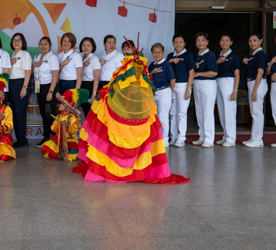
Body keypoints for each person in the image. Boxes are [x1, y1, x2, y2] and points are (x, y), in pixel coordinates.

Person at [73, 41, 190, 185]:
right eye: (125, 48)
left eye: (130, 48)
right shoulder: (124, 65)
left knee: (156, 121)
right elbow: (116, 83)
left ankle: (166, 141)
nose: (127, 50)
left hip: (137, 106)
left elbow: (143, 85)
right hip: (123, 104)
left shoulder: (139, 66)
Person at [41, 88, 88, 161]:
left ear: (67, 108)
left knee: (71, 155)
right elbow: (53, 128)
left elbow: (73, 131)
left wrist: (66, 126)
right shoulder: (59, 116)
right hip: (60, 138)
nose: (59, 105)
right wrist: (59, 125)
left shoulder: (72, 118)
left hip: (70, 139)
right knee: (48, 145)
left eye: (62, 104)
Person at [167, 34, 195, 147]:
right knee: (173, 113)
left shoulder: (188, 55)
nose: (178, 44)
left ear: (184, 43)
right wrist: (171, 61)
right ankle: (173, 136)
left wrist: (188, 89)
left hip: (183, 86)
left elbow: (191, 73)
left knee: (182, 113)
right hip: (172, 87)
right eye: (175, 42)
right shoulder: (170, 56)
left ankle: (181, 137)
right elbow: (165, 66)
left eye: (180, 42)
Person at [32, 37, 60, 147]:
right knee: (44, 114)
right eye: (41, 44)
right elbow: (32, 70)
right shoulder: (37, 57)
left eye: (45, 44)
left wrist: (51, 91)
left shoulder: (53, 58)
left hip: (50, 87)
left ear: (50, 45)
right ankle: (46, 137)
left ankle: (54, 138)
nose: (43, 46)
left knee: (51, 113)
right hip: (40, 88)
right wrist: (34, 65)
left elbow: (55, 76)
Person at [242, 33, 269, 148]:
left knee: (257, 112)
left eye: (254, 40)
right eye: (250, 41)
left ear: (260, 41)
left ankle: (258, 139)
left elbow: (261, 72)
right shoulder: (254, 55)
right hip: (252, 83)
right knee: (254, 112)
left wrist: (254, 90)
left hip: (257, 83)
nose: (252, 43)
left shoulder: (260, 54)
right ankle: (254, 137)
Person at [192, 32, 218, 147]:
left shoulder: (210, 55)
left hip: (208, 84)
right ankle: (202, 136)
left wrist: (198, 74)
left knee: (207, 111)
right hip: (197, 84)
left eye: (203, 40)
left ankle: (209, 138)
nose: (200, 43)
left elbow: (213, 72)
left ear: (207, 42)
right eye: (198, 41)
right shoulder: (197, 56)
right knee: (199, 111)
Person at [148, 43, 176, 147]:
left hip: (165, 92)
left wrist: (171, 93)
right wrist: (151, 73)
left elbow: (173, 79)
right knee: (154, 116)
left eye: (159, 52)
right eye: (155, 52)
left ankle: (164, 139)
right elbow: (148, 78)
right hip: (154, 92)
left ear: (163, 53)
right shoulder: (152, 65)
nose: (157, 54)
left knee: (163, 116)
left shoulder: (167, 64)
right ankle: (156, 137)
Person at [215, 33, 240, 148]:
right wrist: (218, 62)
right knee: (221, 110)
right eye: (222, 40)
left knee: (229, 111)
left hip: (229, 82)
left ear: (231, 42)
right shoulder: (218, 56)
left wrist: (235, 90)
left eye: (227, 40)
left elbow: (237, 73)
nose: (224, 43)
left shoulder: (233, 56)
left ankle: (231, 138)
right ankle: (225, 135)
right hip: (218, 82)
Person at [8, 32, 32, 148]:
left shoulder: (25, 55)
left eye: (19, 40)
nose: (16, 42)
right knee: (14, 113)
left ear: (23, 42)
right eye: (14, 40)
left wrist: (24, 87)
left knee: (20, 113)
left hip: (21, 83)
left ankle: (23, 139)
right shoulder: (11, 55)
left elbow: (28, 72)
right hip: (11, 84)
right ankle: (18, 138)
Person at [79, 37, 101, 118]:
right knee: (85, 113)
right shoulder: (81, 58)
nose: (86, 47)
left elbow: (96, 78)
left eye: (88, 45)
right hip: (82, 87)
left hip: (90, 87)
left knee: (90, 115)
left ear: (93, 47)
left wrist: (93, 94)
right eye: (84, 45)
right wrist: (83, 64)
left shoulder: (94, 59)